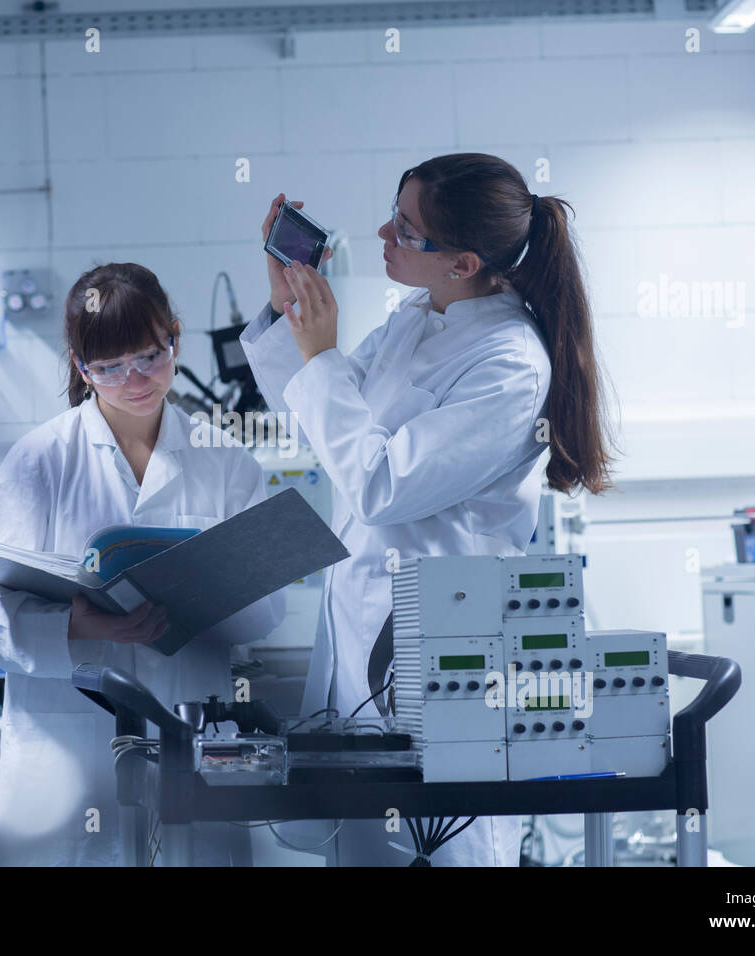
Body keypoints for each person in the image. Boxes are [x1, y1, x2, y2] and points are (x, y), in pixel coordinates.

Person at [240, 154, 614, 866]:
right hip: (366, 641)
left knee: (445, 851)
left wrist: (320, 358)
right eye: (394, 211)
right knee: (367, 851)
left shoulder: (509, 362)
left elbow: (383, 486)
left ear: (464, 261)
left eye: (407, 232)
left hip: (445, 655)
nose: (382, 231)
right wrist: (295, 319)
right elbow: (330, 424)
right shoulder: (416, 317)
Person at [0, 262, 285, 865]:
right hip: (68, 755)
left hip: (189, 737)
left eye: (149, 357)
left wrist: (206, 598)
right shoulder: (40, 461)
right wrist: (79, 626)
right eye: (108, 367)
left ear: (175, 339)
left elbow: (267, 607)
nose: (133, 379)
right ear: (81, 367)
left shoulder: (226, 461)